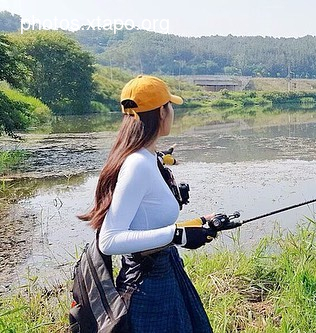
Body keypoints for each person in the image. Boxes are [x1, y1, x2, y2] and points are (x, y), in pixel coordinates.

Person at [78, 75, 240, 332]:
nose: (173, 111)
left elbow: (146, 222)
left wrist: (199, 224)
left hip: (164, 274)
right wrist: (178, 235)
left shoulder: (149, 157)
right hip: (147, 288)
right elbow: (109, 240)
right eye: (170, 105)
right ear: (162, 112)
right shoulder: (137, 164)